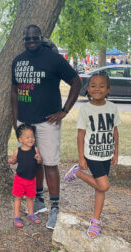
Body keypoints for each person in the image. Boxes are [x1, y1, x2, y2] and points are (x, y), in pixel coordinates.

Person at [11, 24, 82, 229]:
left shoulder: (54, 59)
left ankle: (55, 208)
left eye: (35, 38)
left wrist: (64, 110)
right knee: (34, 162)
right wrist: (14, 120)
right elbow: (14, 91)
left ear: (41, 38)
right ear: (23, 39)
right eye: (28, 38)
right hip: (25, 123)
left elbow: (76, 82)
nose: (31, 41)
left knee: (50, 163)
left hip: (47, 122)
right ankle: (39, 200)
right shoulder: (18, 61)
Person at [64, 72, 120, 238]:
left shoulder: (112, 107)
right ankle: (78, 173)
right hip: (92, 155)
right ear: (88, 89)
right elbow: (81, 134)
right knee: (104, 185)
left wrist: (115, 152)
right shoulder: (86, 109)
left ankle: (96, 221)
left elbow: (115, 131)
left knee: (100, 189)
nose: (97, 89)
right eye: (93, 86)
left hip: (106, 155)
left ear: (108, 89)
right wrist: (81, 157)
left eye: (101, 86)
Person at [8, 124, 42, 228]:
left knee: (30, 198)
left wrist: (38, 158)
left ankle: (31, 214)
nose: (31, 139)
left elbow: (39, 162)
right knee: (18, 198)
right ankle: (16, 217)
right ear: (21, 139)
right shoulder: (17, 151)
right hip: (20, 179)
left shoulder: (35, 149)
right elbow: (14, 161)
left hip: (31, 179)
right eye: (27, 137)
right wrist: (12, 161)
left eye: (32, 136)